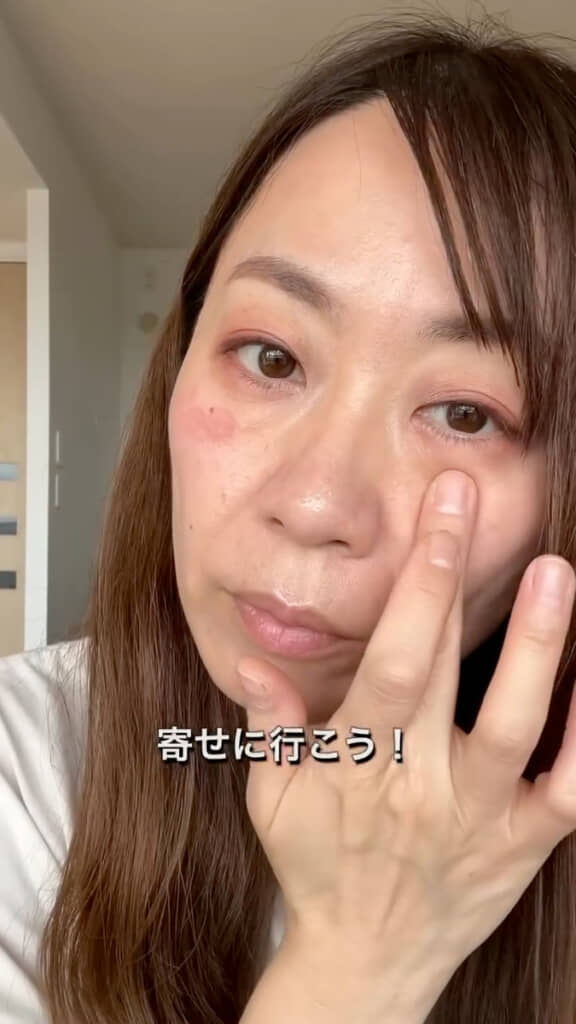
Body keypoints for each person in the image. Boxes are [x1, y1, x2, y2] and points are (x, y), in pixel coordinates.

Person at [3, 12, 576, 1023]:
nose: (314, 506)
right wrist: (361, 962)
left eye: (465, 413)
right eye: (271, 357)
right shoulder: (26, 764)